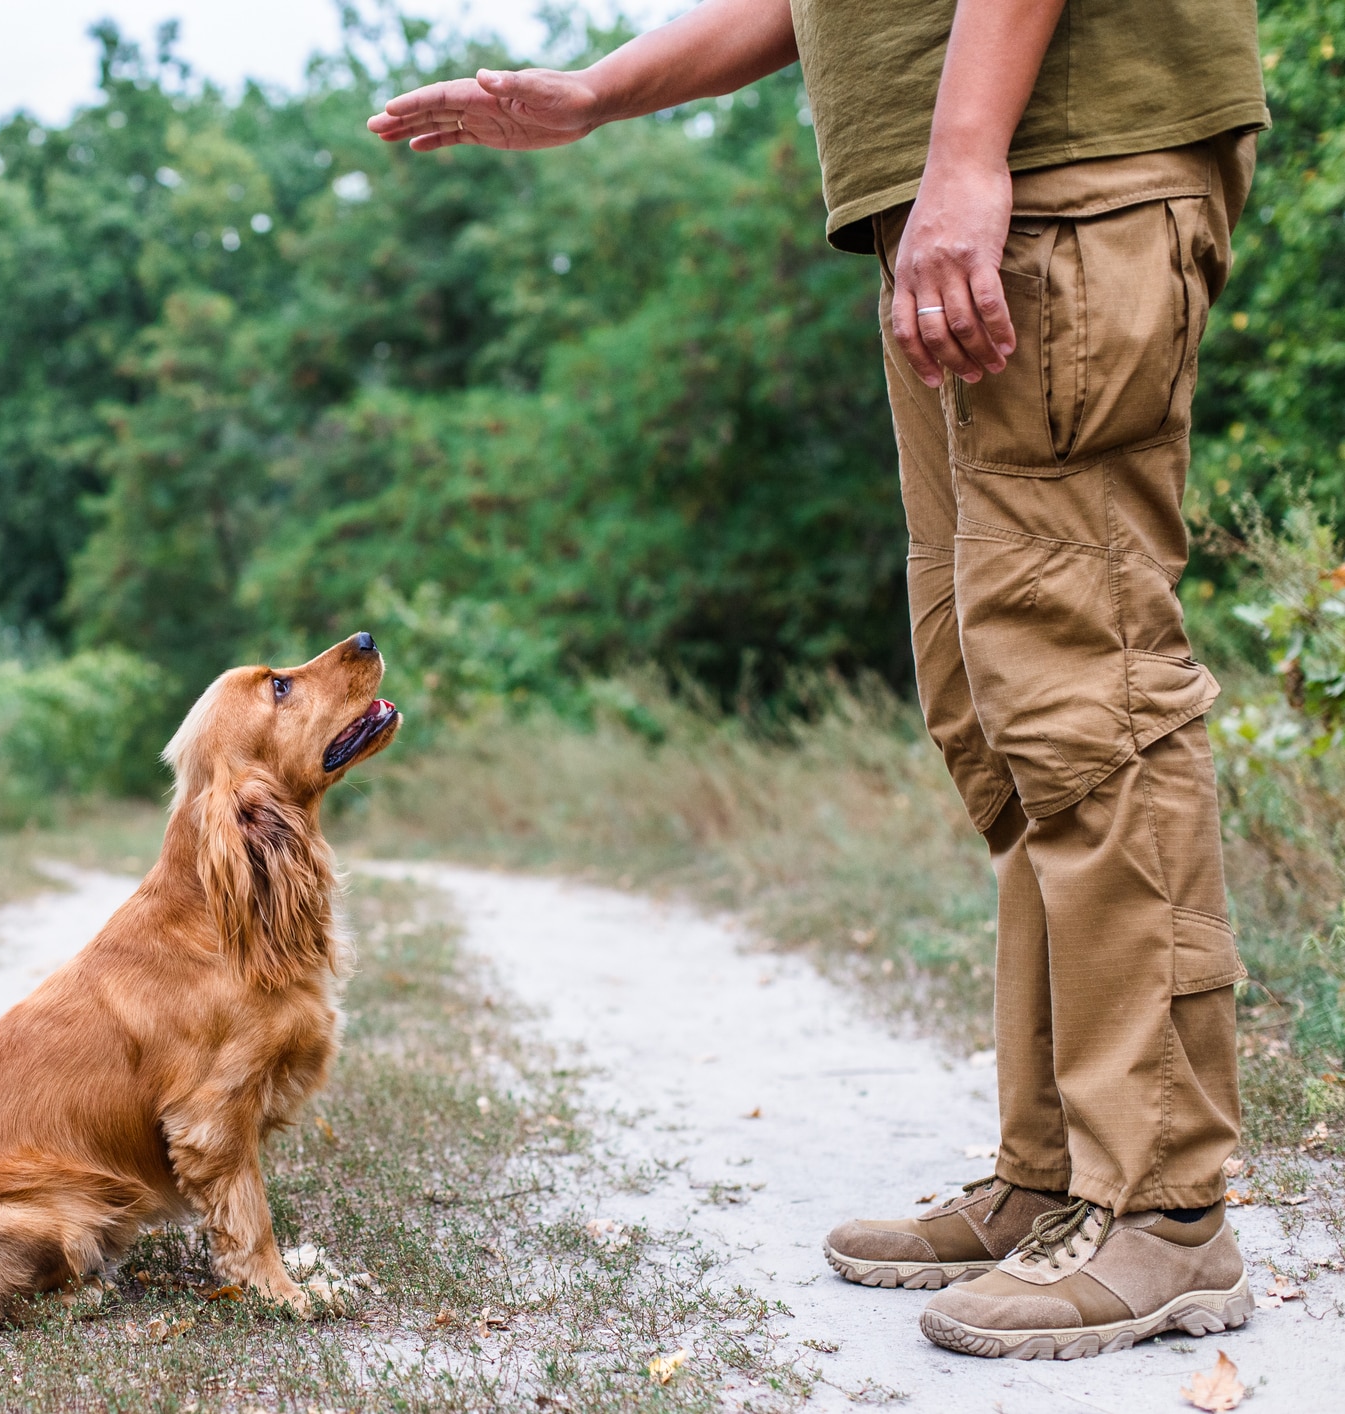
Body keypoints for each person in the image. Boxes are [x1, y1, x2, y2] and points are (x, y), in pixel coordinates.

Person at [370, 0, 1270, 1361]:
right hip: (965, 193)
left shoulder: (1009, 161)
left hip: (1062, 172)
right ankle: (1056, 1174)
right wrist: (601, 92)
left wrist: (968, 153)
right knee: (999, 709)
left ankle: (1163, 1204)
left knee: (1088, 693)